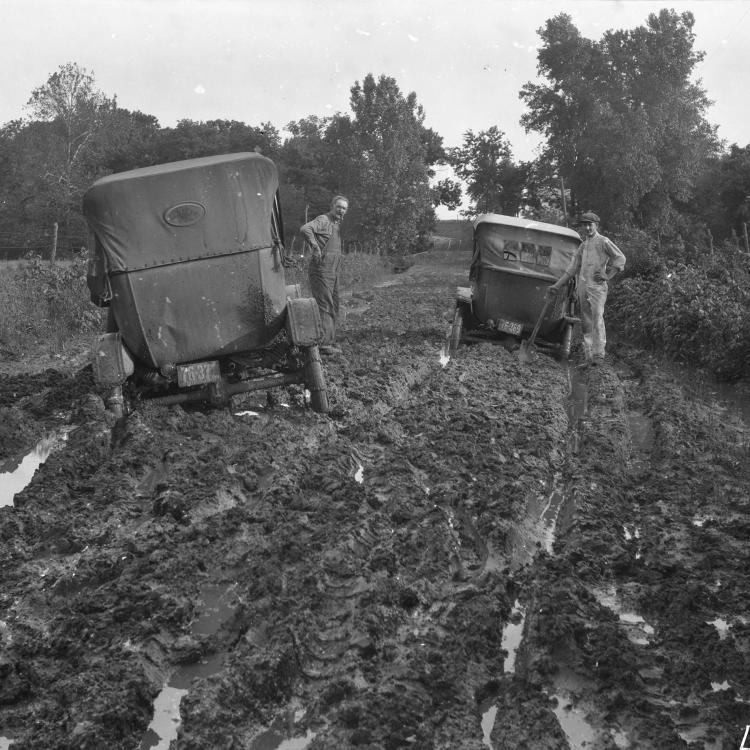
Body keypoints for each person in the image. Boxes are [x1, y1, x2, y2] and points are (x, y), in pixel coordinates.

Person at [547, 211, 626, 366]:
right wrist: (556, 286)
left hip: (597, 288)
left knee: (597, 317)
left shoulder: (603, 242)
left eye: (590, 225)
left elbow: (620, 258)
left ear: (596, 225)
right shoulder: (583, 246)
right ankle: (589, 357)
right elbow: (571, 269)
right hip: (583, 286)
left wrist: (608, 275)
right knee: (586, 322)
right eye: (585, 225)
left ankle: (599, 355)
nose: (587, 228)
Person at [300, 195, 349, 355]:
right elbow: (305, 228)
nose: (341, 210)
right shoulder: (324, 220)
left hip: (333, 271)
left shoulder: (336, 224)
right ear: (332, 206)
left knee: (334, 304)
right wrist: (314, 246)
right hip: (321, 270)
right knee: (325, 306)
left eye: (344, 208)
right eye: (339, 207)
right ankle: (324, 345)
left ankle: (329, 341)